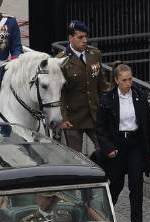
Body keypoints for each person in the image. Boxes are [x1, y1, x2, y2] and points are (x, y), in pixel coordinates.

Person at [96, 63, 150, 222]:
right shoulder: (107, 99)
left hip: (135, 144)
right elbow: (101, 127)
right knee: (116, 185)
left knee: (136, 187)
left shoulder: (139, 96)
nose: (128, 83)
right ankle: (104, 218)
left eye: (130, 79)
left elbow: (148, 123)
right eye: (124, 80)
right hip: (117, 145)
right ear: (117, 80)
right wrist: (108, 147)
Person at [57, 20, 108, 152]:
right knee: (75, 158)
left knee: (105, 150)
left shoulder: (94, 54)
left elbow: (102, 85)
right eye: (80, 37)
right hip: (73, 118)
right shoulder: (61, 60)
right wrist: (63, 118)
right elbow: (58, 93)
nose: (85, 40)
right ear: (70, 38)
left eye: (86, 36)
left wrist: (108, 107)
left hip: (95, 114)